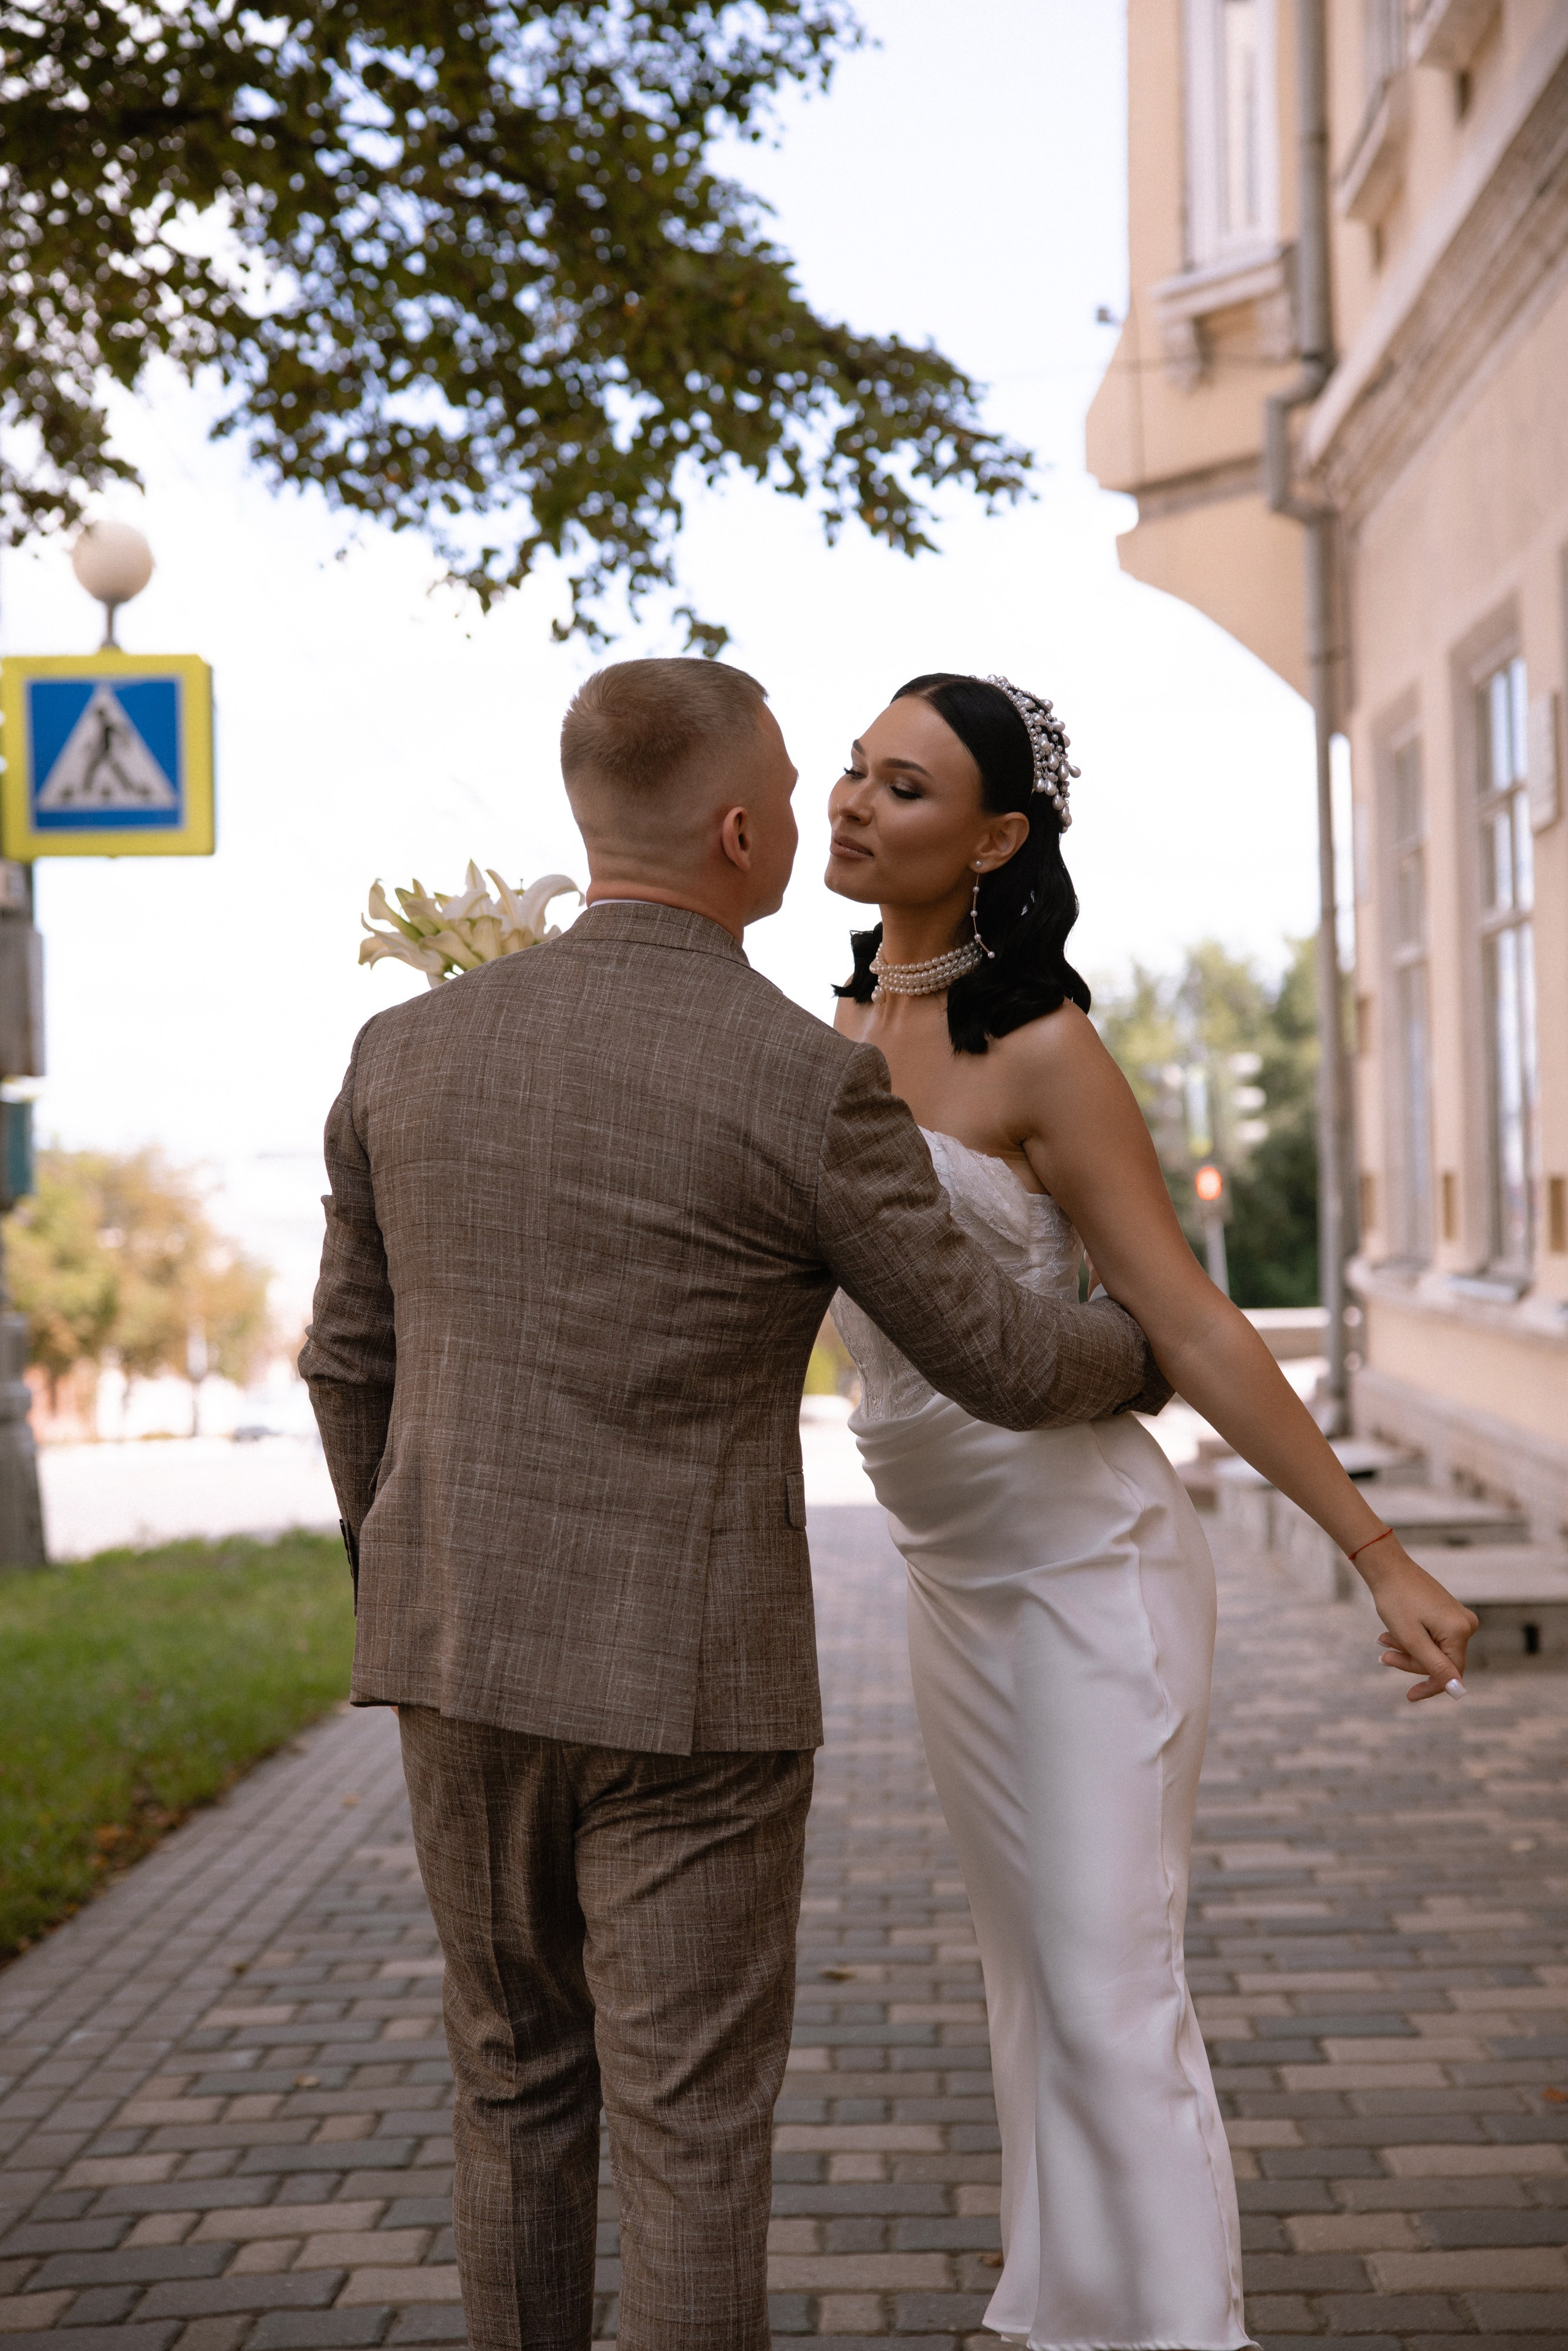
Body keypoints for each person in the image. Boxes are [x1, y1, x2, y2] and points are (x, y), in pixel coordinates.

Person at [299, 657, 1175, 2351]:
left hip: (457, 1661)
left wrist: (403, 1565)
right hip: (693, 1694)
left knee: (511, 2093)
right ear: (741, 830)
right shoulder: (800, 1079)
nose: (814, 807)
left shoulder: (402, 1052)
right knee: (690, 2137)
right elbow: (994, 1355)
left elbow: (346, 1365)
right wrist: (1144, 1350)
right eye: (797, 778)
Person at [825, 669, 1477, 2351]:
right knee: (1031, 1989)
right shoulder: (821, 1042)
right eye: (850, 771)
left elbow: (1187, 1321)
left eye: (902, 788)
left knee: (1111, 1992)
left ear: (995, 839)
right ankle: (1071, 2314)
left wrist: (1376, 1548)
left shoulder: (1040, 1048)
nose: (851, 803)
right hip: (947, 1576)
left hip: (1086, 1568)